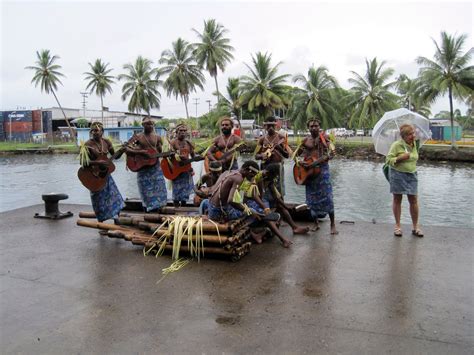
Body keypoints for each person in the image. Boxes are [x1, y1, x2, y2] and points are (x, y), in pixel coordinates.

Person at [207, 160, 292, 248]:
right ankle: (257, 230)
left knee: (252, 209)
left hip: (211, 207)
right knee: (254, 212)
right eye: (251, 175)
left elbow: (213, 191)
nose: (251, 178)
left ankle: (258, 225)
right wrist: (247, 210)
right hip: (219, 213)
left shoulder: (228, 172)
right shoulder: (239, 179)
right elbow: (231, 200)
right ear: (248, 170)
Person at [295, 118, 338, 234]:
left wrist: (329, 155)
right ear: (308, 128)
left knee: (328, 197)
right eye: (311, 126)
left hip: (322, 171)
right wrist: (300, 162)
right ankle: (315, 223)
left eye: (316, 126)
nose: (314, 128)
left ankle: (333, 225)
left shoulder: (325, 139)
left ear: (320, 127)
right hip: (309, 173)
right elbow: (296, 155)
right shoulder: (305, 141)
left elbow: (332, 152)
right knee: (311, 199)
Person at [386, 124, 423, 237]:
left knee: (413, 199)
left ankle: (415, 227)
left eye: (413, 133)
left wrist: (409, 157)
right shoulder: (396, 145)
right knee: (397, 199)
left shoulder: (415, 144)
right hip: (398, 175)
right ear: (404, 136)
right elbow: (388, 160)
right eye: (410, 134)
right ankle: (398, 226)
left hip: (412, 175)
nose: (413, 135)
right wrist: (400, 158)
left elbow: (414, 158)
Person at [84, 122, 124, 221]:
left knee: (114, 195)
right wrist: (97, 163)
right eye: (92, 130)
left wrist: (122, 150)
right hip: (94, 175)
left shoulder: (106, 142)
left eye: (97, 130)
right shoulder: (87, 144)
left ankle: (116, 218)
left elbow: (115, 156)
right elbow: (83, 162)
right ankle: (101, 221)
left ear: (102, 132)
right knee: (98, 199)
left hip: (106, 174)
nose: (94, 132)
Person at [125, 116, 167, 212]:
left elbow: (160, 152)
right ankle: (147, 210)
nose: (150, 125)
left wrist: (163, 154)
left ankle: (159, 209)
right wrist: (140, 152)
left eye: (151, 123)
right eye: (147, 123)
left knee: (159, 188)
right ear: (143, 125)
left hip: (155, 167)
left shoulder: (157, 138)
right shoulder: (138, 137)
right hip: (142, 168)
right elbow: (126, 149)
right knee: (145, 190)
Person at [257, 163, 309, 235]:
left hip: (263, 199)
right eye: (275, 175)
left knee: (281, 206)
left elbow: (276, 197)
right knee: (268, 213)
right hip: (256, 200)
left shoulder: (269, 178)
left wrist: (286, 207)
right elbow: (259, 196)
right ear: (269, 173)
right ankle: (280, 236)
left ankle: (294, 227)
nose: (275, 177)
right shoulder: (259, 177)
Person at [255, 116, 289, 196]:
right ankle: (267, 207)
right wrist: (262, 156)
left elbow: (287, 155)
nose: (270, 128)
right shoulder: (262, 139)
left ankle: (280, 206)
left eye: (272, 125)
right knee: (265, 188)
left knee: (279, 188)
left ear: (276, 125)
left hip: (277, 166)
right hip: (265, 166)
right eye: (268, 125)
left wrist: (279, 148)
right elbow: (256, 156)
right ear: (264, 126)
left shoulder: (281, 137)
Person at [170, 124, 196, 207]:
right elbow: (168, 156)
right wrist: (176, 156)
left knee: (185, 191)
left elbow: (193, 156)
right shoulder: (173, 142)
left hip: (186, 169)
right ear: (177, 132)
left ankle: (184, 208)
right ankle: (176, 208)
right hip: (176, 170)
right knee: (176, 191)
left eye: (185, 131)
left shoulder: (189, 143)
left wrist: (198, 158)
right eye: (181, 130)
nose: (183, 132)